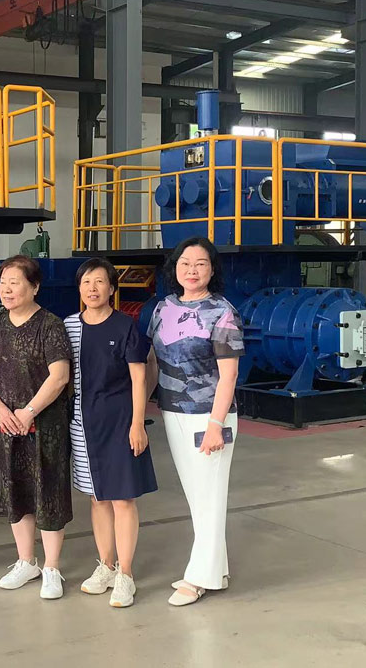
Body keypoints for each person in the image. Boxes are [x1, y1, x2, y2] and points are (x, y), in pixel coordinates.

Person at [145, 236, 244, 607]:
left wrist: (216, 424)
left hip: (208, 414)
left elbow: (229, 375)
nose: (192, 270)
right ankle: (215, 570)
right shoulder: (163, 308)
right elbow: (153, 363)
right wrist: (140, 410)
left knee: (210, 495)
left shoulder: (223, 312)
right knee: (198, 494)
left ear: (212, 270)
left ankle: (198, 578)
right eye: (185, 263)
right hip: (173, 411)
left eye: (201, 263)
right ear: (174, 268)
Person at [0, 255, 72, 600]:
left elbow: (59, 376)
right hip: (5, 424)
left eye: (14, 282)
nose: (6, 289)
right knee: (15, 489)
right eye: (3, 283)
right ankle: (26, 561)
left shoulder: (50, 325)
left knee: (48, 490)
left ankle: (52, 567)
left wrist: (29, 412)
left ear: (34, 287)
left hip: (44, 426)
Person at [64, 258, 156, 608]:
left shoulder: (125, 326)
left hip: (120, 422)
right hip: (82, 423)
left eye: (100, 281)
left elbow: (138, 379)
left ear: (112, 288)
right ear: (79, 288)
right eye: (86, 282)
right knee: (97, 497)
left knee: (122, 498)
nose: (93, 288)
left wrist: (137, 424)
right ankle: (105, 565)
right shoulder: (69, 326)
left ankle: (126, 574)